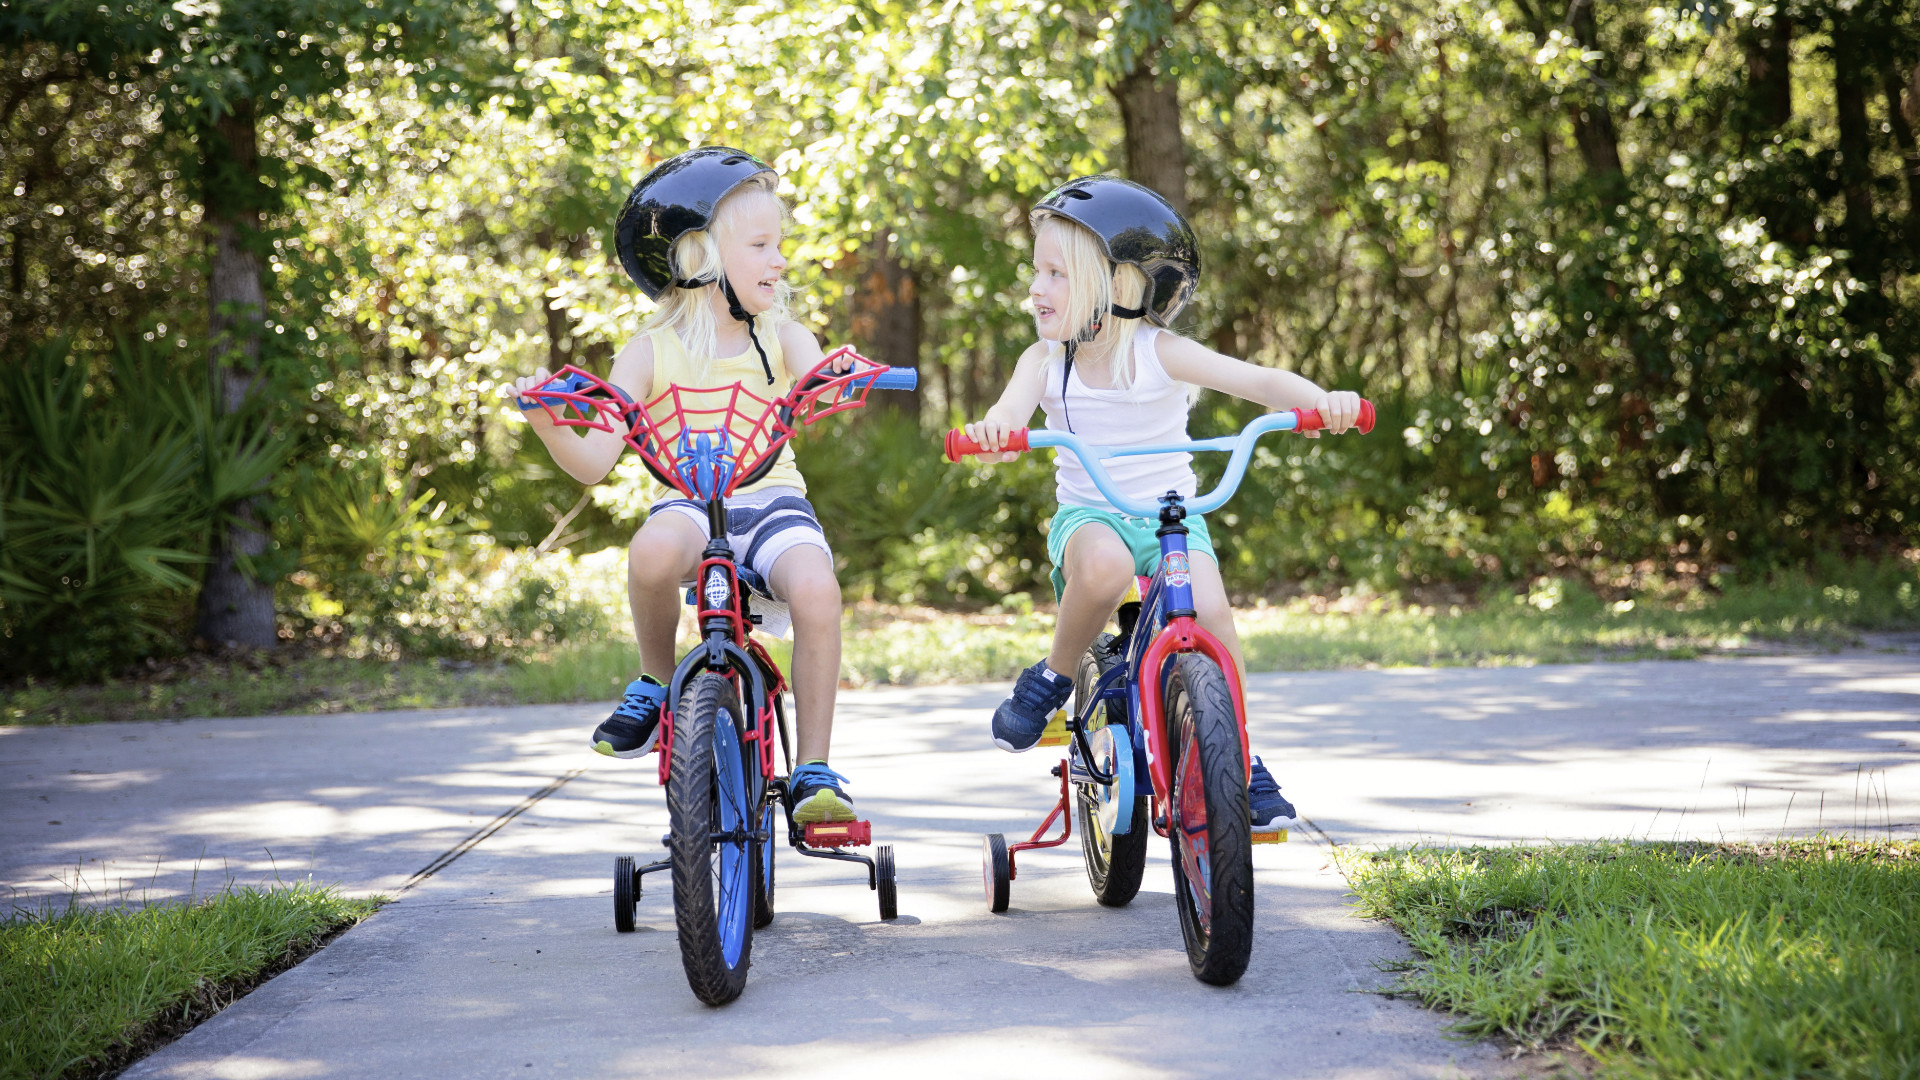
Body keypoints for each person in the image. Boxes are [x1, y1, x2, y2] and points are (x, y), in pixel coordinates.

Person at [960, 175, 1363, 833]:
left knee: (1213, 615)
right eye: (1038, 272)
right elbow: (1005, 417)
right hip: (1091, 516)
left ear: (1119, 286)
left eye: (1057, 274)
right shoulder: (1044, 361)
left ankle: (1238, 755)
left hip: (1173, 519)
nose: (1037, 288)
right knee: (1103, 568)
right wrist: (993, 436)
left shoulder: (1159, 353)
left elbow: (1258, 380)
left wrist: (1321, 401)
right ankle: (1054, 677)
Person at [501, 147, 857, 823]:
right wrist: (552, 426)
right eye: (760, 245)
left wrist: (835, 376)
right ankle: (655, 683)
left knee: (817, 589)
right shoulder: (648, 351)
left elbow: (818, 373)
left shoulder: (782, 335)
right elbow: (596, 461)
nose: (780, 261)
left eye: (779, 244)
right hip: (689, 503)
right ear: (700, 257)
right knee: (650, 554)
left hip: (772, 500)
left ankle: (813, 766)